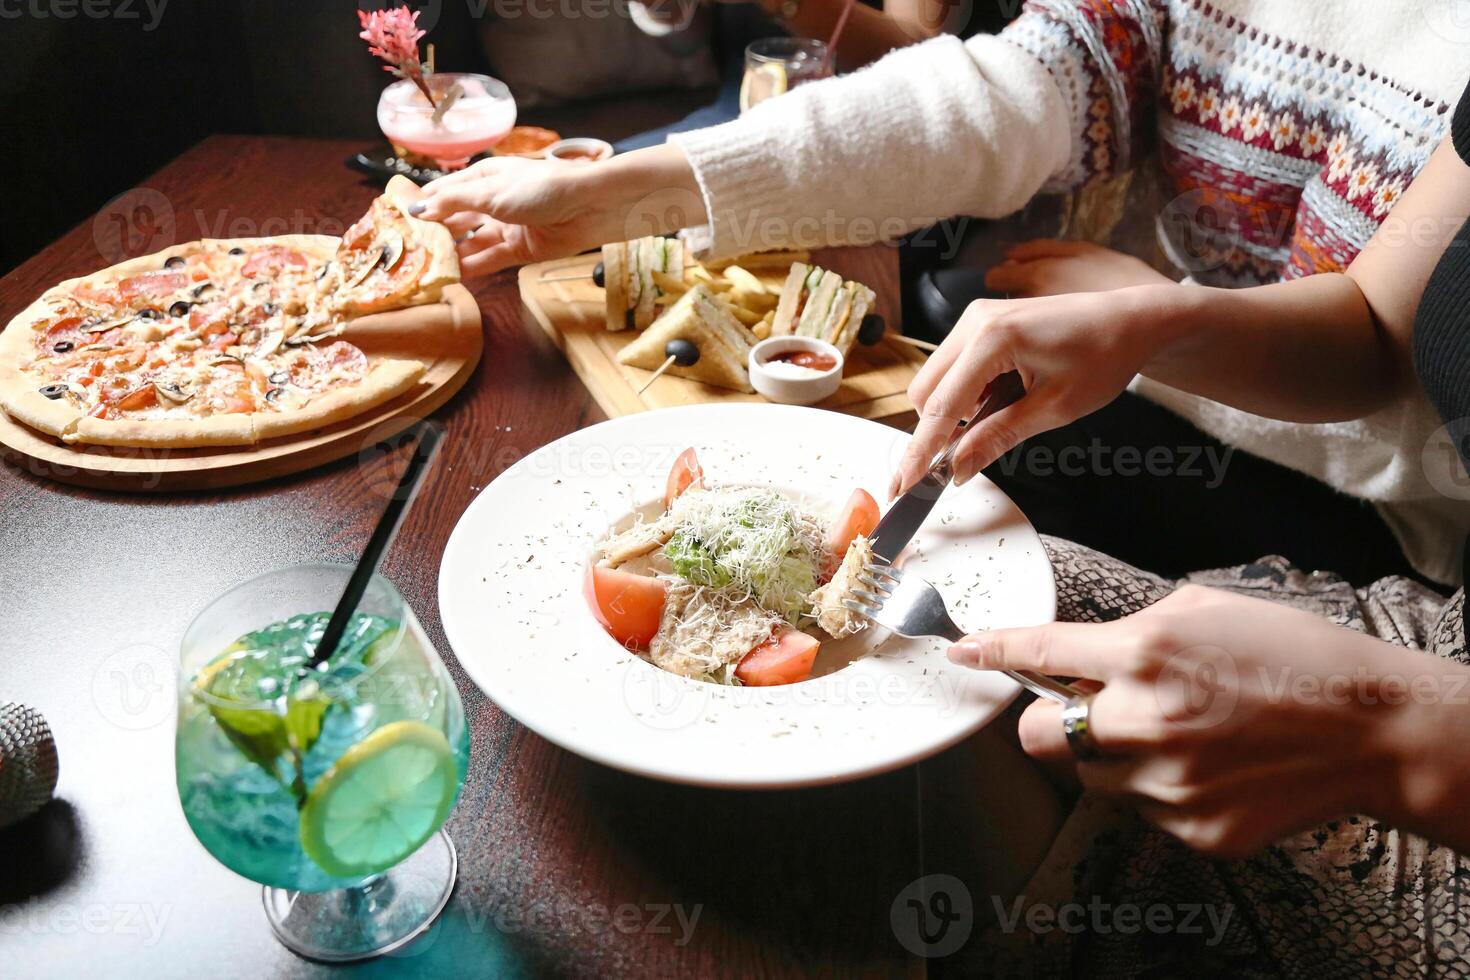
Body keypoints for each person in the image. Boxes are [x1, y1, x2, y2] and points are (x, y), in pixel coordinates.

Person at [413, 0, 1470, 589]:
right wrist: (620, 195)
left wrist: (1150, 318)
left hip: (1365, 512)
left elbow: (1382, 369)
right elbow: (999, 97)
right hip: (1136, 377)